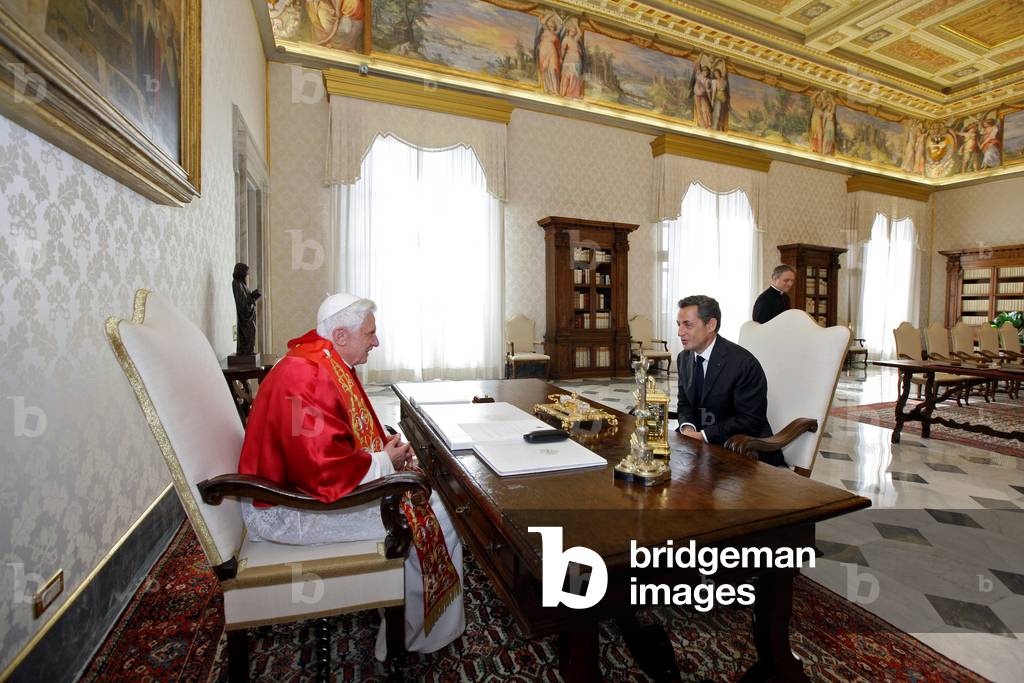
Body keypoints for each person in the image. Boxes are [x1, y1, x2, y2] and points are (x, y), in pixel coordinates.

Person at [237, 293, 465, 660]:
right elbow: (321, 470)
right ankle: (415, 635)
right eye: (370, 333)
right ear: (341, 335)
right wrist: (383, 463)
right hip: (284, 511)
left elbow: (334, 439)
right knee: (433, 511)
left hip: (292, 489)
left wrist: (380, 451)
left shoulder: (321, 358)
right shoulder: (305, 377)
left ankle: (402, 609)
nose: (376, 342)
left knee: (427, 500)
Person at [675, 295, 783, 466]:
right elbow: (685, 404)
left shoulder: (744, 364)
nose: (680, 332)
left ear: (711, 325)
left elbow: (749, 420)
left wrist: (703, 436)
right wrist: (688, 428)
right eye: (679, 324)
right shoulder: (684, 358)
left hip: (743, 452)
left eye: (687, 325)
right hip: (699, 450)